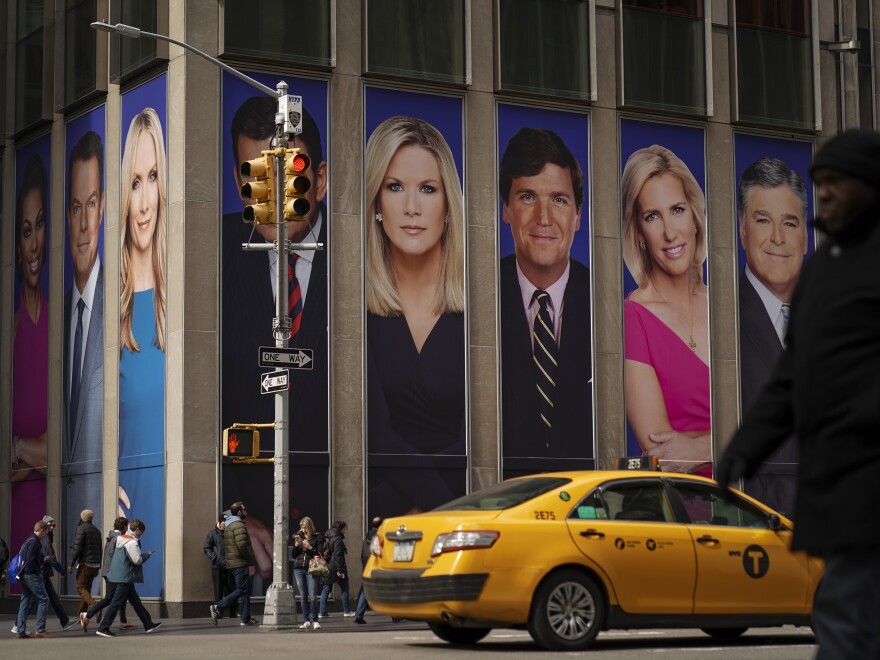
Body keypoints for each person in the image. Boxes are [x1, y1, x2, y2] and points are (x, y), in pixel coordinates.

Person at [717, 129, 880, 660]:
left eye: (838, 183)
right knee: (843, 618)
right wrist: (745, 448)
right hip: (840, 490)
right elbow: (792, 376)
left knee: (844, 621)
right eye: (820, 184)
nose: (826, 194)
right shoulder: (823, 273)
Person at [221, 97, 328, 580]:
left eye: (285, 175)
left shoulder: (372, 255)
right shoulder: (214, 249)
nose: (268, 194)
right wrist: (233, 516)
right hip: (252, 533)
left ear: (319, 180)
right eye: (252, 179)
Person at [365, 115, 466, 513]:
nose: (411, 207)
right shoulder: (354, 306)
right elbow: (371, 433)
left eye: (427, 189)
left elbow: (486, 435)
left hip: (461, 512)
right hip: (378, 517)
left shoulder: (481, 306)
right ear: (376, 202)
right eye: (395, 187)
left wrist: (431, 507)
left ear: (447, 205)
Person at [498, 127, 593, 470]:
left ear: (578, 215)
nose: (544, 218)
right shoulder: (475, 297)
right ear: (506, 210)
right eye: (527, 197)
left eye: (559, 199)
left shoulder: (607, 302)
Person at [621, 144, 711, 476]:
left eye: (677, 210)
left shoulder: (729, 307)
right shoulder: (633, 318)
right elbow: (665, 454)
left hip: (763, 502)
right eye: (652, 216)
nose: (670, 232)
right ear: (639, 233)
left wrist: (704, 445)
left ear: (695, 217)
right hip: (689, 510)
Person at [736, 156, 809, 516]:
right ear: (742, 229)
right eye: (763, 221)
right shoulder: (720, 317)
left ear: (806, 237)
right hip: (765, 529)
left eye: (790, 223)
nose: (778, 238)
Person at [62, 131, 106, 575]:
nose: (83, 224)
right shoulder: (51, 316)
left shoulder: (121, 304)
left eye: (91, 204)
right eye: (76, 207)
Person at [119, 107, 167, 466]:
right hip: (126, 509)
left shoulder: (177, 304)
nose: (145, 202)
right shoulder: (111, 312)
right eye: (135, 183)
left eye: (153, 177)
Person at [11, 155, 49, 548]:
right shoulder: (14, 330)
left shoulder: (60, 325)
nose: (35, 241)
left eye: (40, 225)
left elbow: (57, 450)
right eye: (26, 230)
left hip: (46, 510)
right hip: (15, 511)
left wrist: (21, 446)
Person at [95, 519, 162, 637]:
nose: (141, 534)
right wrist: (147, 555)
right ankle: (103, 627)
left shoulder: (120, 539)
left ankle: (148, 623)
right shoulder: (132, 542)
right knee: (116, 602)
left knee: (136, 601)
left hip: (120, 575)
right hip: (125, 577)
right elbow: (137, 560)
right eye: (141, 531)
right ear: (137, 530)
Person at [210, 502, 258, 626]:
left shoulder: (230, 525)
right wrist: (250, 557)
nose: (246, 511)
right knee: (242, 589)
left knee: (245, 590)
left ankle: (245, 618)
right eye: (244, 509)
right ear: (239, 512)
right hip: (240, 562)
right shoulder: (238, 525)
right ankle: (218, 606)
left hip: (234, 563)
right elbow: (241, 545)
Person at [81, 516, 133, 631]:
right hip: (113, 573)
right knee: (111, 598)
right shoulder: (118, 538)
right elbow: (116, 556)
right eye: (126, 527)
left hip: (108, 571)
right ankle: (90, 615)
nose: (127, 529)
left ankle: (123, 621)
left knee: (119, 597)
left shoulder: (111, 536)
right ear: (123, 527)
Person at [14, 520, 53, 639]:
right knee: (43, 598)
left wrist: (41, 560)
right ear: (41, 530)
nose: (45, 536)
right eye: (45, 533)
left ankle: (20, 630)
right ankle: (40, 629)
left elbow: (28, 558)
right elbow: (29, 558)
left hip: (23, 574)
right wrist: (38, 570)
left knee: (25, 601)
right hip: (30, 574)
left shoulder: (28, 540)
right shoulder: (34, 541)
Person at [39, 516, 77, 632]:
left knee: (51, 598)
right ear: (44, 526)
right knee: (35, 600)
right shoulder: (45, 538)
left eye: (53, 525)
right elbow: (52, 558)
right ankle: (24, 626)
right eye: (49, 525)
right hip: (41, 573)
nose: (52, 527)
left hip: (42, 573)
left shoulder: (48, 537)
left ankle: (64, 621)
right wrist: (62, 571)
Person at [67, 508, 103, 615]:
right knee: (86, 589)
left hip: (86, 564)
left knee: (80, 587)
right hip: (95, 565)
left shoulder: (81, 528)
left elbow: (77, 548)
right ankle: (82, 615)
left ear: (82, 517)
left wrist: (71, 563)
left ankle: (94, 605)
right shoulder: (97, 531)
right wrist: (99, 564)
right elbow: (100, 549)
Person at [291, 516, 324, 630]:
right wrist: (296, 547)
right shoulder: (298, 537)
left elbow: (319, 554)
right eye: (301, 527)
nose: (303, 530)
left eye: (305, 527)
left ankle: (315, 620)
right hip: (298, 568)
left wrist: (309, 547)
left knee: (313, 596)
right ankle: (306, 620)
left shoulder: (317, 537)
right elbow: (294, 555)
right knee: (303, 596)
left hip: (311, 568)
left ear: (310, 527)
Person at [204, 514, 235, 618]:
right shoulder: (212, 534)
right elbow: (207, 549)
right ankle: (218, 612)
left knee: (232, 589)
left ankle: (233, 611)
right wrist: (216, 559)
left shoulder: (231, 533)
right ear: (220, 522)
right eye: (224, 522)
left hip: (230, 566)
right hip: (217, 567)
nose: (226, 524)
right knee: (218, 590)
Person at [353, 516, 382, 624]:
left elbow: (362, 555)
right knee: (389, 589)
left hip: (367, 568)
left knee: (365, 592)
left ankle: (358, 615)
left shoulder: (366, 538)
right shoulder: (380, 536)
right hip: (379, 567)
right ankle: (396, 616)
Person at [319, 521, 351, 618]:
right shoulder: (338, 539)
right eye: (344, 529)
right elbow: (338, 556)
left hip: (327, 565)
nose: (345, 531)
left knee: (326, 588)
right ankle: (347, 611)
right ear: (340, 529)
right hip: (335, 566)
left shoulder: (327, 536)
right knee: (345, 587)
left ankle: (322, 612)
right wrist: (340, 570)